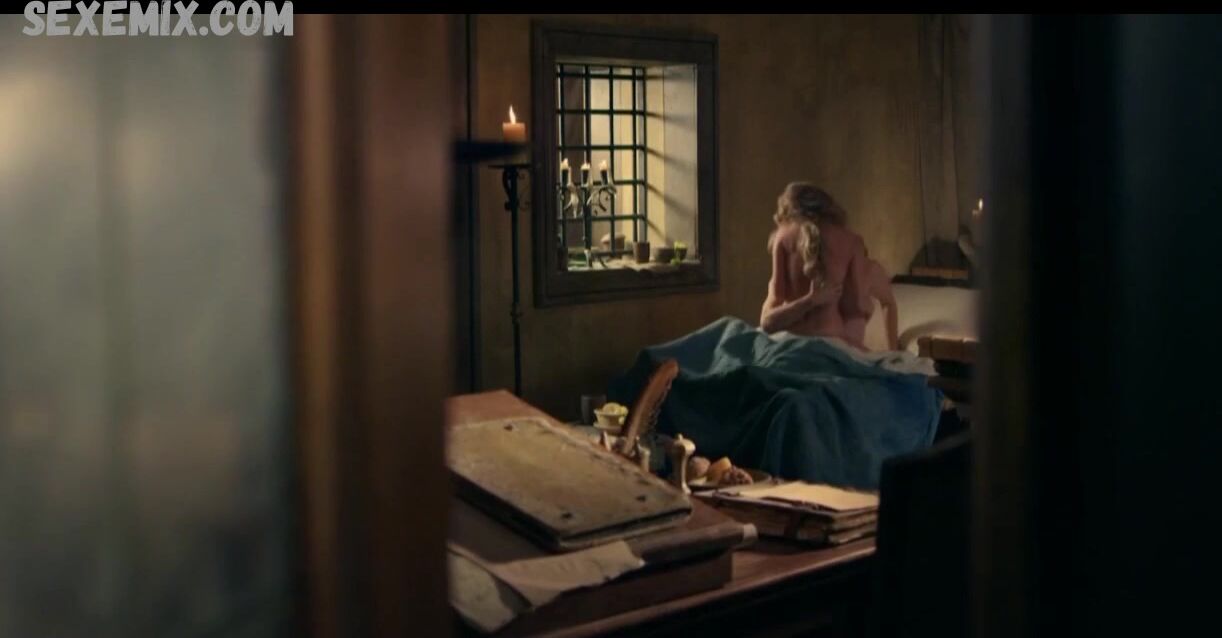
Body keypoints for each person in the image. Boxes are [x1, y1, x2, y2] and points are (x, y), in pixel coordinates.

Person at [759, 182, 873, 347]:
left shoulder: (783, 237)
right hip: (831, 342)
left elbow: (768, 322)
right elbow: (855, 310)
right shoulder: (851, 241)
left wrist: (809, 301)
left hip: (790, 343)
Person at [843, 256, 900, 351]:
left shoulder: (869, 269)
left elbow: (890, 304)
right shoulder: (819, 271)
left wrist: (893, 350)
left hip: (853, 352)